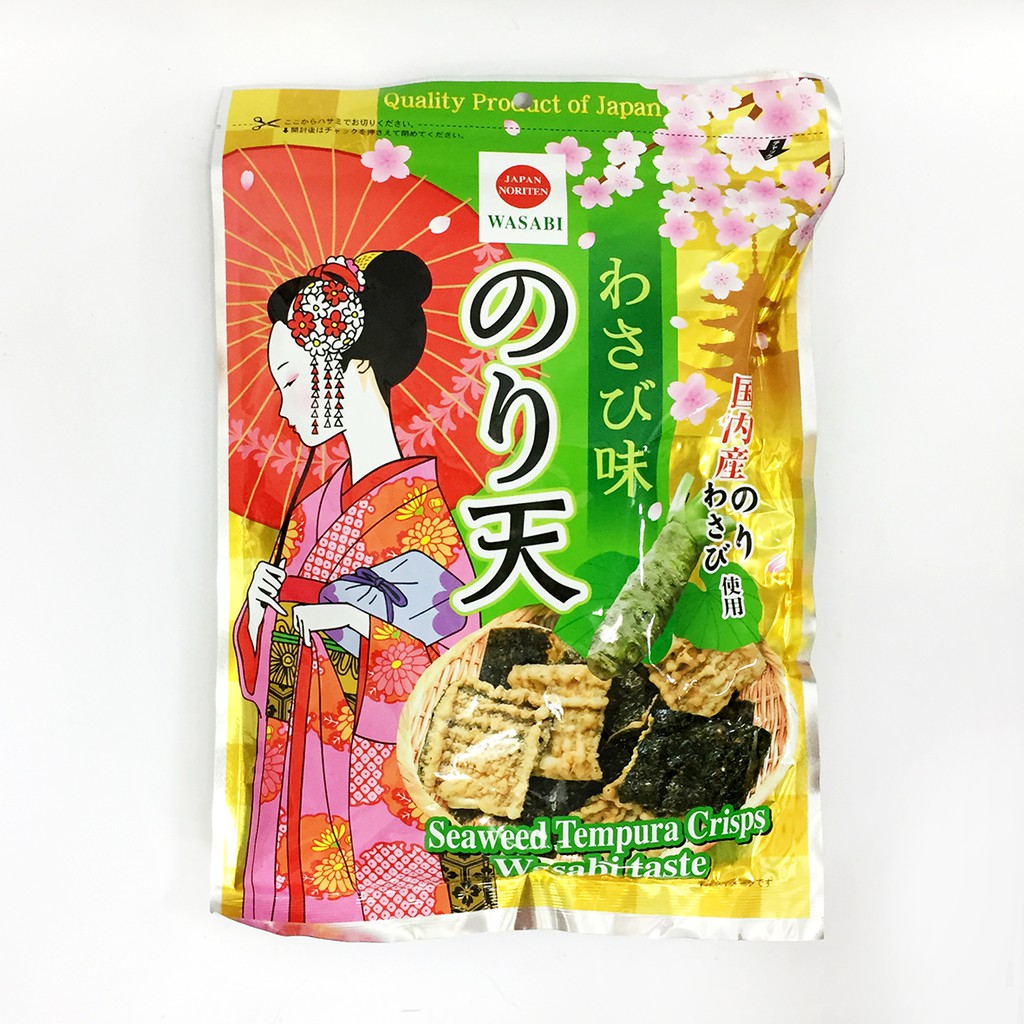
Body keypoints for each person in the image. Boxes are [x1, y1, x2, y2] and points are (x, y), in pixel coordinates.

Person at [233, 250, 478, 925]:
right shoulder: (311, 512)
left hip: (382, 797)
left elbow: (452, 671)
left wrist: (342, 619)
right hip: (299, 773)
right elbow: (271, 685)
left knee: (398, 908)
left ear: (355, 365)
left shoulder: (420, 515)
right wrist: (262, 616)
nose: (283, 405)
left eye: (291, 377)